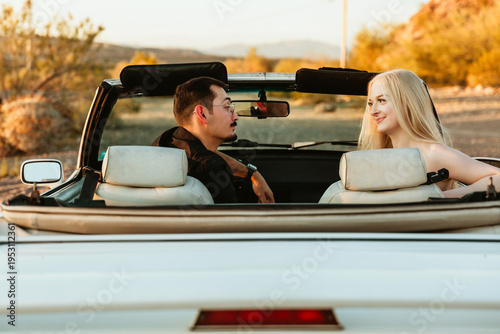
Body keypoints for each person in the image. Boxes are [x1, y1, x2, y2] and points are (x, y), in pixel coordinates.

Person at [358, 69, 500, 198]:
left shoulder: (432, 153)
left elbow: (498, 177)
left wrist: (441, 197)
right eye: (370, 103)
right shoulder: (379, 155)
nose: (373, 111)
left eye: (381, 100)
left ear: (408, 103)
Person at [152, 76, 275, 204]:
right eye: (227, 107)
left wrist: (253, 175)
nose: (236, 116)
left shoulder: (167, 141)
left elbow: (201, 152)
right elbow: (233, 223)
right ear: (202, 114)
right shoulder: (213, 170)